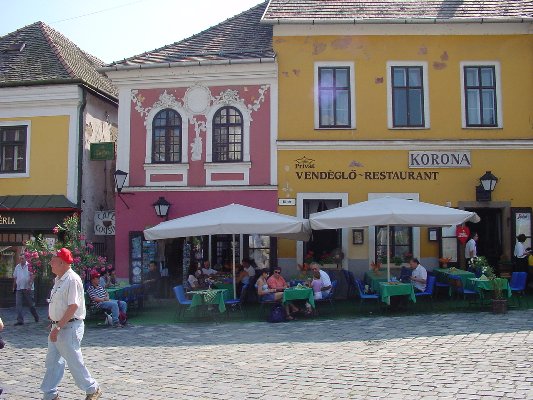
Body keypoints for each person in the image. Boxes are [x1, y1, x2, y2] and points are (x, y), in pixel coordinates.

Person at [40, 248, 102, 400]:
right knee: (52, 362)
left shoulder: (71, 279)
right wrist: (54, 322)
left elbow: (73, 306)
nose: (50, 263)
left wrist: (59, 325)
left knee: (74, 360)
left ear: (62, 262)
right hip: (59, 326)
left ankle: (92, 388)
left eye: (53, 260)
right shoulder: (59, 279)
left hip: (68, 327)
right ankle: (50, 394)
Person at [13, 254, 39, 325]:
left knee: (31, 305)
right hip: (19, 288)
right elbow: (15, 277)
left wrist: (30, 285)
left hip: (28, 288)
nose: (21, 260)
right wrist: (14, 286)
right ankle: (20, 320)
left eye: (22, 258)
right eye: (20, 259)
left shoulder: (29, 266)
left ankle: (36, 316)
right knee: (18, 304)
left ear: (26, 259)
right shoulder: (17, 267)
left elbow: (33, 275)